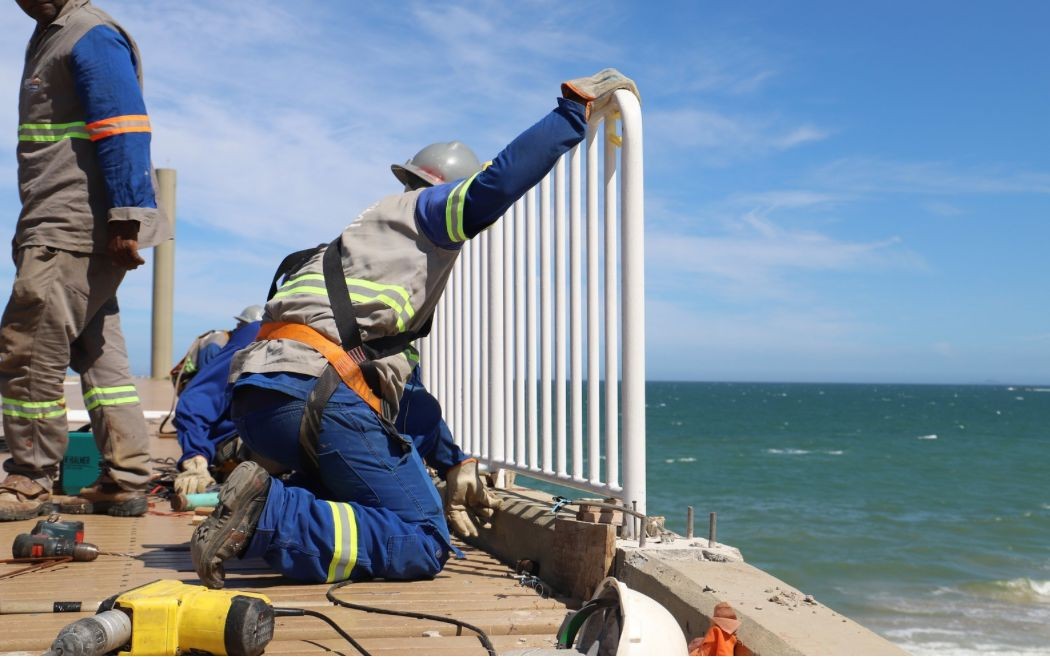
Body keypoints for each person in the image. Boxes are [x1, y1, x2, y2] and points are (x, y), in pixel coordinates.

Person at [190, 68, 639, 588]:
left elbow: (404, 393)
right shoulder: (424, 214)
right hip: (311, 398)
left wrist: (454, 461)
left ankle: (261, 514)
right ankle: (270, 515)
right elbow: (495, 186)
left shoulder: (363, 250)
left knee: (353, 506)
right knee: (424, 537)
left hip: (262, 404)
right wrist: (571, 113)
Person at [0, 0, 170, 521]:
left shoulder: (86, 33)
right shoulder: (53, 33)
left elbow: (124, 127)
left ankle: (29, 477)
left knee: (28, 350)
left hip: (69, 226)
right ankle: (126, 476)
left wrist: (126, 218)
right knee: (100, 356)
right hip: (65, 222)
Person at [169, 305, 264, 395]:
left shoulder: (234, 344)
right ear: (242, 326)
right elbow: (209, 380)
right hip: (196, 392)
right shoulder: (216, 343)